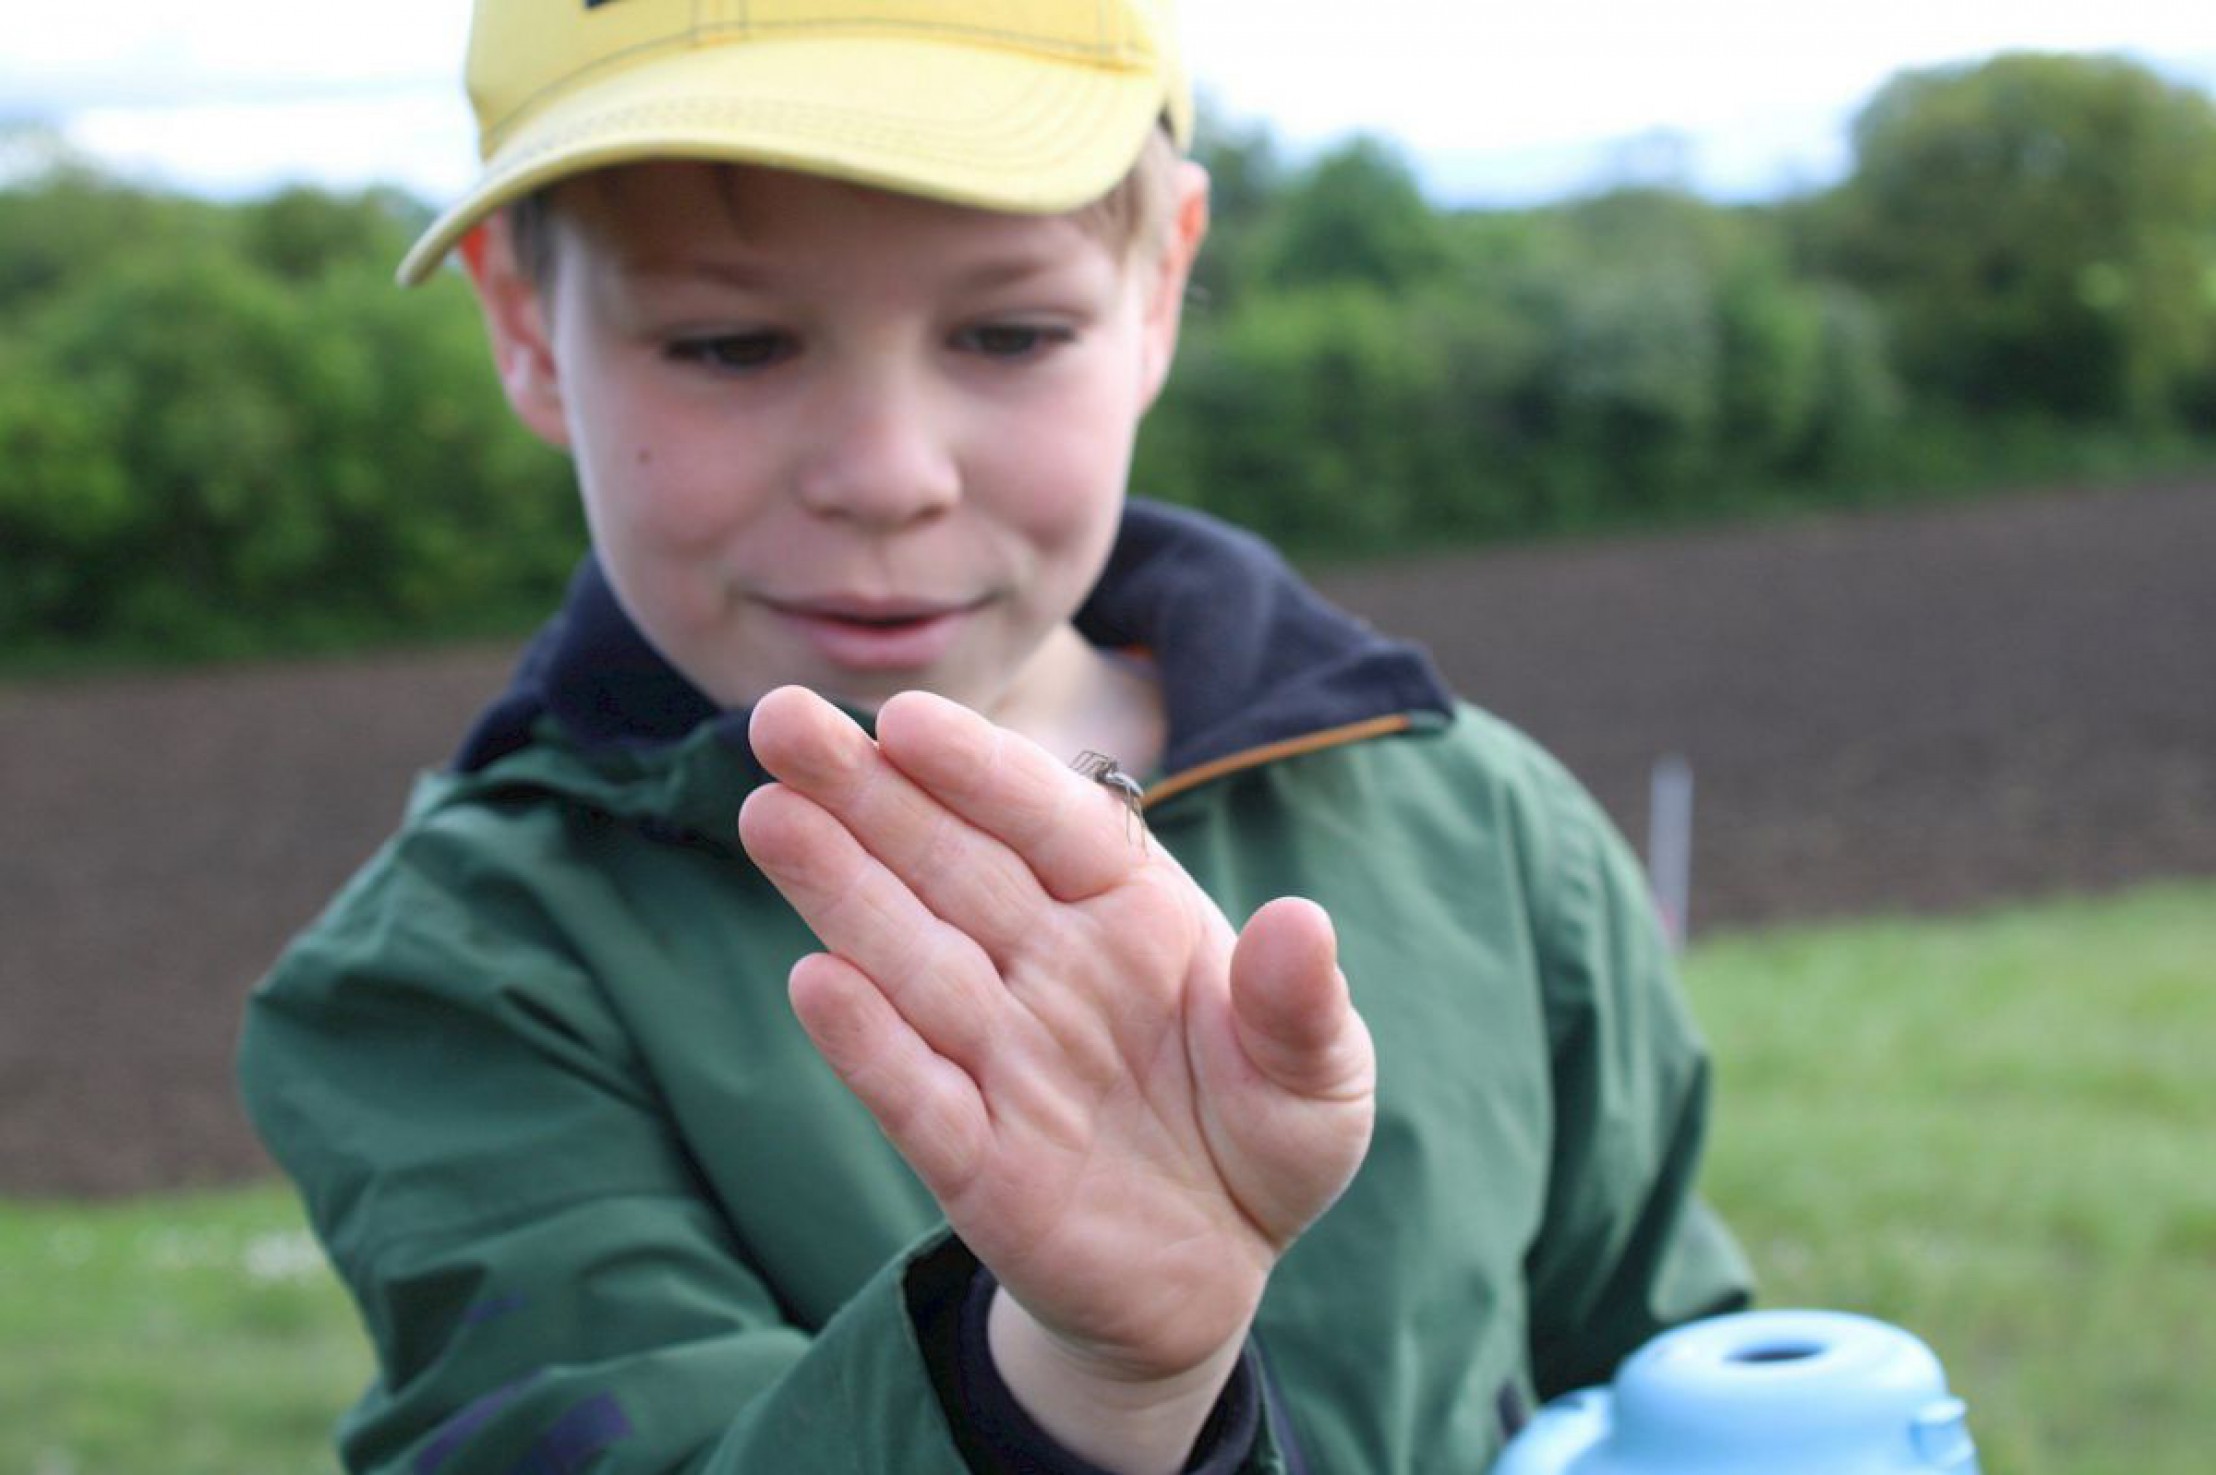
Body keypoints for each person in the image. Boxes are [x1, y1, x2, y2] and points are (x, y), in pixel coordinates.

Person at [237, 0, 1751, 1470]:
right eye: (732, 345)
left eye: (1010, 332)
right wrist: (1079, 1383)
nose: (889, 474)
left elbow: (1669, 1371)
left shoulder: (1482, 828)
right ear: (528, 328)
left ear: (1158, 289)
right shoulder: (455, 977)